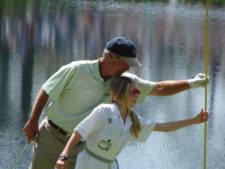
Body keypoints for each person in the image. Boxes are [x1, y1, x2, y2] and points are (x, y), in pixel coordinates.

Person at [23, 36, 208, 169]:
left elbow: (158, 88)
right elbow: (46, 91)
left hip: (80, 148)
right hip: (50, 136)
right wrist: (33, 120)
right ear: (111, 57)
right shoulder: (76, 69)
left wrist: (192, 83)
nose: (128, 68)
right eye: (125, 63)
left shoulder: (124, 82)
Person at [55, 76, 208, 169]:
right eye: (135, 92)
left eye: (139, 92)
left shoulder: (133, 120)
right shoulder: (104, 110)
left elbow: (164, 127)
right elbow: (79, 132)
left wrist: (193, 121)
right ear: (123, 92)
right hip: (88, 165)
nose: (138, 96)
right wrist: (64, 155)